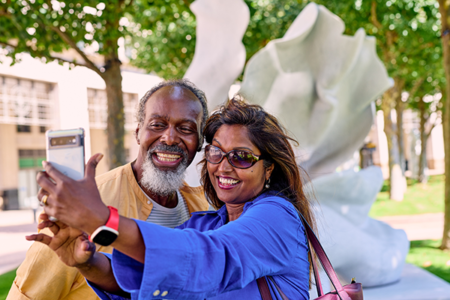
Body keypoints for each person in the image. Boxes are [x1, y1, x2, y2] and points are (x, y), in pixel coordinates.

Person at [29, 98, 316, 299]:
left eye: (242, 157)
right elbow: (146, 274)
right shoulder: (206, 223)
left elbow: (208, 257)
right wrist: (87, 263)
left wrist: (102, 220)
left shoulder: (277, 215)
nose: (224, 166)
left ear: (268, 168)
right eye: (216, 153)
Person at [7, 79, 210, 300]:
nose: (170, 138)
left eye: (186, 129)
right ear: (138, 132)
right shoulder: (84, 204)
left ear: (199, 142)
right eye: (157, 125)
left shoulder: (202, 208)